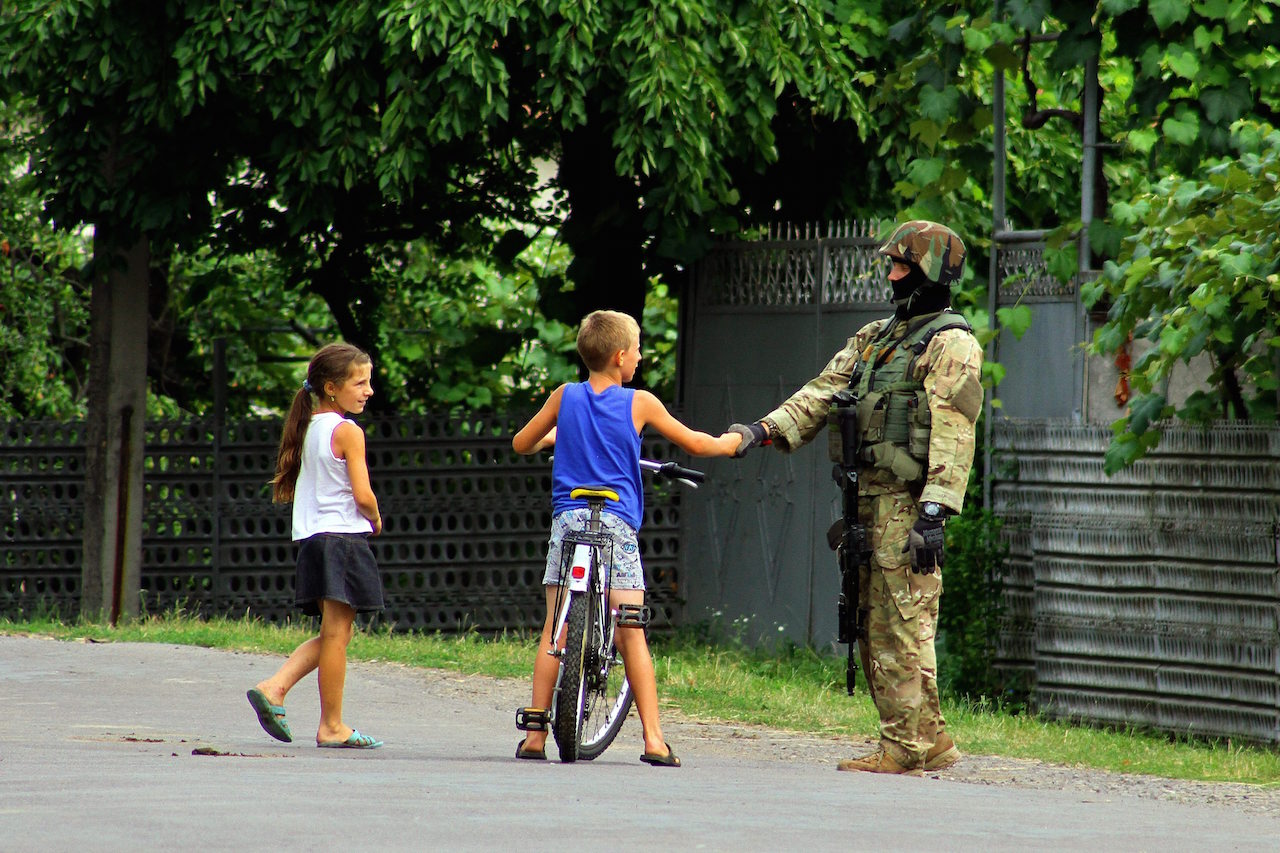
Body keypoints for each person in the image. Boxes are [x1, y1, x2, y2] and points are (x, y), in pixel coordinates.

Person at [729, 220, 984, 775]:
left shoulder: (952, 344)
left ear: (931, 273)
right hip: (866, 499)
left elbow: (954, 430)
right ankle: (931, 739)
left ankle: (902, 747)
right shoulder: (875, 338)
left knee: (901, 623)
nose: (891, 275)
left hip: (906, 503)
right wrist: (761, 431)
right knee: (878, 619)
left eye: (902, 266)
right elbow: (821, 392)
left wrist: (934, 512)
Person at [511, 309, 742, 766]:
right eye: (637, 349)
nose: (640, 356)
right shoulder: (640, 403)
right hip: (615, 525)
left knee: (554, 627)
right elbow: (696, 443)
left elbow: (521, 443)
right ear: (620, 357)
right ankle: (654, 740)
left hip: (569, 521)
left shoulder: (565, 397)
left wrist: (549, 438)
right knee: (631, 630)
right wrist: (734, 442)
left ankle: (535, 736)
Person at [246, 342, 387, 749]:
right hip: (342, 539)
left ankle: (276, 687)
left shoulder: (309, 428)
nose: (368, 390)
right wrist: (375, 517)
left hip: (314, 541)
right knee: (337, 636)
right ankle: (331, 725)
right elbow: (362, 495)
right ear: (330, 387)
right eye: (360, 382)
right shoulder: (348, 432)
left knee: (334, 635)